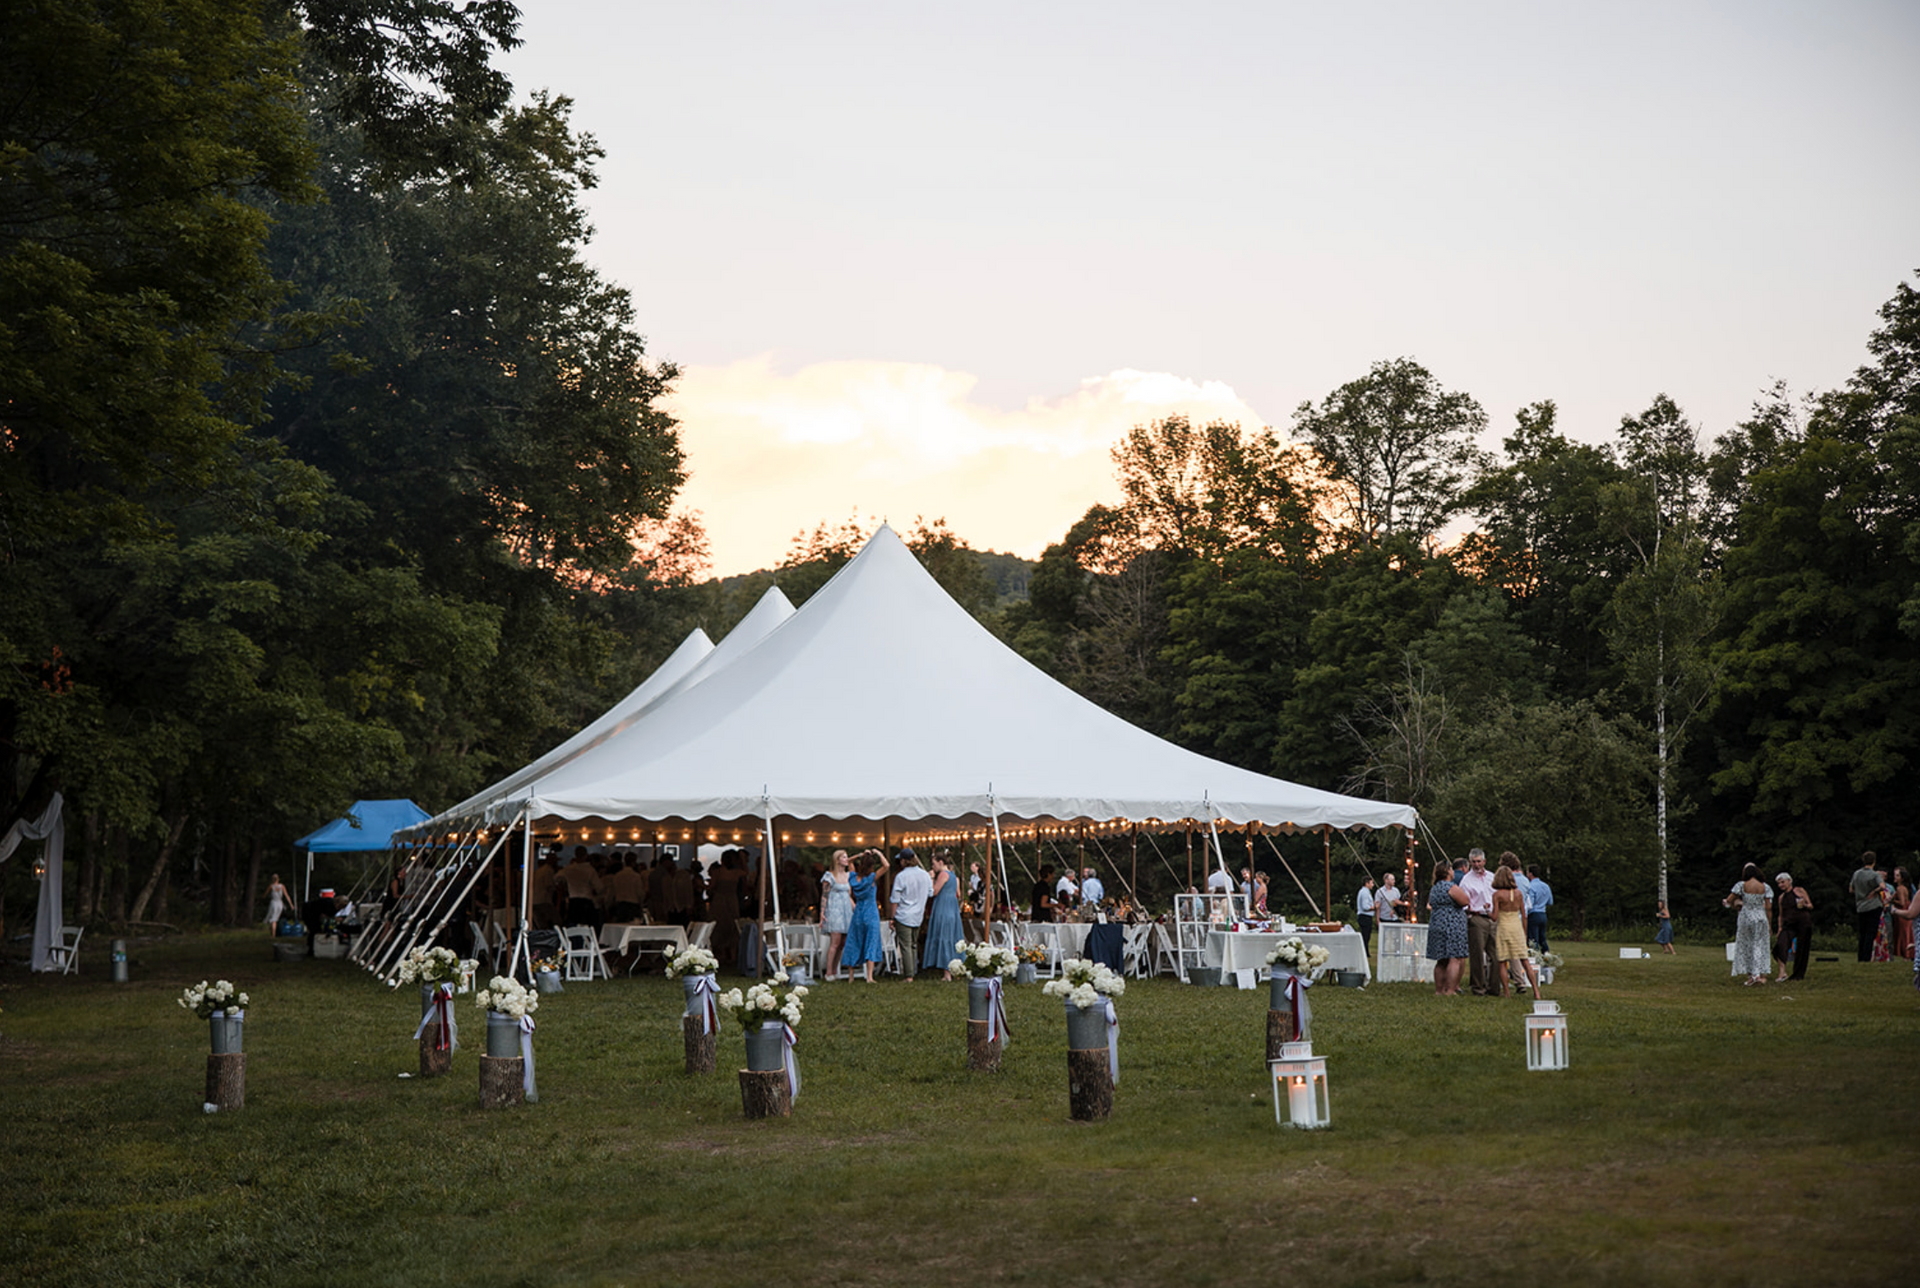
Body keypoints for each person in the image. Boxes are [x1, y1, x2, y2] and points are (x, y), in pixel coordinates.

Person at [840, 848, 890, 983]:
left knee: (854, 940)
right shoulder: (871, 878)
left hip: (858, 912)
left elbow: (849, 861)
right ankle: (869, 976)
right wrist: (879, 853)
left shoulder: (853, 877)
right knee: (871, 941)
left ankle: (851, 976)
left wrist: (861, 854)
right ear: (872, 866)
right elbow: (886, 865)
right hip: (871, 912)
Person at [1492, 864, 1540, 999]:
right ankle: (1536, 992)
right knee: (1525, 960)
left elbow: (1495, 917)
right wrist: (1524, 933)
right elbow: (1524, 915)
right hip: (1517, 928)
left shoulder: (1497, 895)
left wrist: (1487, 910)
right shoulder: (1518, 894)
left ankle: (1507, 993)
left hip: (1503, 929)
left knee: (1502, 961)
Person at [1425, 859, 1470, 995]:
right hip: (1452, 925)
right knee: (1454, 958)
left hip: (1437, 923)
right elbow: (1465, 901)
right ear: (1448, 872)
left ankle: (1439, 990)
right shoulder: (1451, 887)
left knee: (1441, 960)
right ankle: (1450, 989)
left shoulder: (1435, 888)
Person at [1726, 863, 1773, 985]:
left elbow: (1729, 900)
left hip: (1746, 916)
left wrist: (1734, 904)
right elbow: (1768, 907)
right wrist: (1769, 924)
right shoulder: (1765, 886)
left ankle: (1752, 975)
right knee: (1759, 945)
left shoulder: (1741, 885)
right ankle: (1758, 974)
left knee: (1747, 945)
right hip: (1761, 917)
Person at [888, 848, 931, 981]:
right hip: (918, 914)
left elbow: (895, 898)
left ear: (904, 861)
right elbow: (930, 893)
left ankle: (909, 975)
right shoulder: (925, 874)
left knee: (905, 945)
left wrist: (892, 917)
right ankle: (913, 970)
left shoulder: (901, 876)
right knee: (913, 944)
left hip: (904, 914)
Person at [921, 852, 965, 981]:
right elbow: (958, 893)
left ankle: (947, 973)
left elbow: (934, 891)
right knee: (951, 937)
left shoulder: (943, 875)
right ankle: (955, 969)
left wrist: (931, 878)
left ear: (941, 862)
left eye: (934, 864)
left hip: (943, 907)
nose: (933, 867)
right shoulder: (954, 877)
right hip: (952, 908)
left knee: (944, 937)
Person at [1459, 848, 1497, 996]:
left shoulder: (1492, 877)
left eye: (1479, 861)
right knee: (1477, 954)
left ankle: (1494, 987)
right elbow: (1465, 902)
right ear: (1470, 862)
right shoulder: (1466, 880)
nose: (1476, 864)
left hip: (1492, 917)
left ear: (1484, 861)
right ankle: (1478, 987)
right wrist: (1471, 909)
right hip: (1476, 917)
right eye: (1473, 862)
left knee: (1495, 954)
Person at [1771, 872, 1813, 982]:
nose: (1781, 885)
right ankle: (1782, 972)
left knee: (1801, 949)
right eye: (1779, 883)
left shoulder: (1799, 891)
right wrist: (1779, 928)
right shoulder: (1781, 898)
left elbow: (1810, 905)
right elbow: (1780, 914)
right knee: (1780, 945)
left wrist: (1804, 905)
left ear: (1789, 881)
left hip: (1803, 922)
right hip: (1789, 924)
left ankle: (1798, 975)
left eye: (1782, 882)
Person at [820, 850, 854, 981]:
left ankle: (835, 970)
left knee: (843, 943)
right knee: (835, 942)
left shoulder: (848, 875)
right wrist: (822, 913)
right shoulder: (829, 876)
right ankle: (828, 972)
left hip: (846, 910)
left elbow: (849, 895)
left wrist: (855, 909)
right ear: (837, 860)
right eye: (844, 857)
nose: (846, 859)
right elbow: (824, 895)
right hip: (834, 910)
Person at [1851, 852, 1885, 962]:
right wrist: (1874, 891)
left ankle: (1860, 957)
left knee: (1862, 933)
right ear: (1874, 861)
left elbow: (1851, 889)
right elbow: (1882, 886)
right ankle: (1866, 957)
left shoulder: (1856, 874)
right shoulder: (1874, 875)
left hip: (1860, 906)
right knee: (1870, 933)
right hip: (1873, 905)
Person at [1525, 864, 1553, 953]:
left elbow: (1530, 903)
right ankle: (1546, 955)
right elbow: (1550, 902)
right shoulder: (1546, 886)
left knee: (1533, 939)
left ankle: (1534, 957)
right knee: (1542, 937)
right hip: (1543, 914)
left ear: (1530, 874)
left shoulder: (1531, 886)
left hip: (1533, 914)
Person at [1891, 868, 1915, 961]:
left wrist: (1892, 900)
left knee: (1903, 934)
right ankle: (1908, 954)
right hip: (1906, 911)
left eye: (1897, 876)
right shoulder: (1905, 888)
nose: (1895, 877)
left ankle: (1906, 954)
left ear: (1902, 878)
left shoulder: (1900, 888)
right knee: (1907, 933)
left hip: (1902, 912)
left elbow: (1902, 902)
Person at [1355, 877, 1377, 954]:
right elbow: (1365, 907)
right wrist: (1374, 907)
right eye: (1371, 883)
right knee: (1365, 935)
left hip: (1365, 916)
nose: (1373, 885)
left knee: (1367, 935)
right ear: (1366, 883)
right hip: (1365, 916)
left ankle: (1365, 951)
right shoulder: (1364, 893)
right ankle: (1364, 951)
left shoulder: (1365, 892)